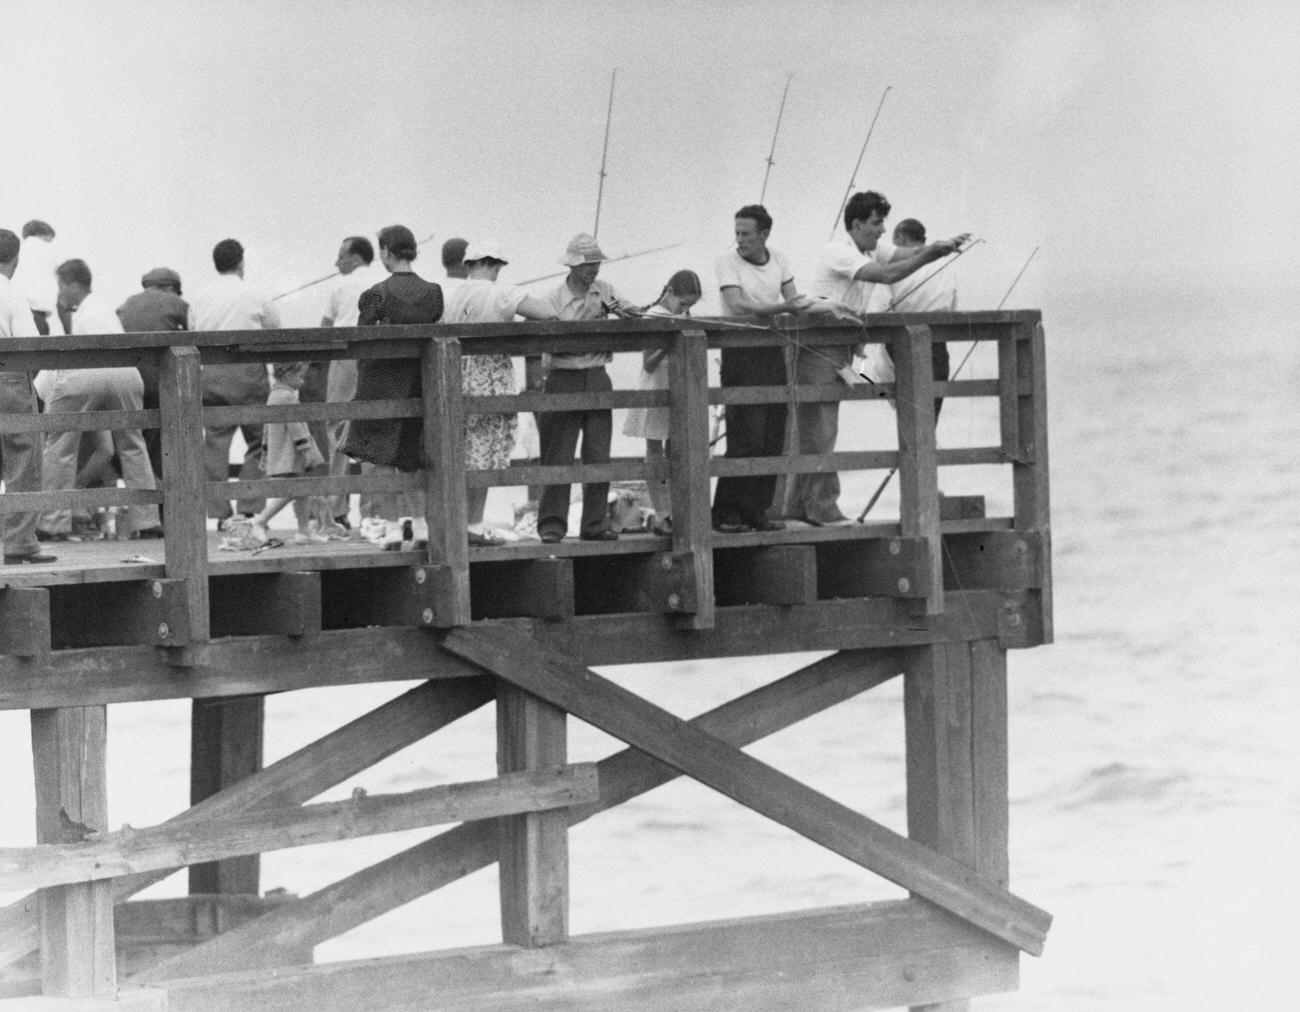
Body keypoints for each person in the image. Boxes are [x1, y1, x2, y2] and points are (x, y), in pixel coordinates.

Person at [792, 192, 967, 526]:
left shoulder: (871, 247)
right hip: (819, 345)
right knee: (820, 429)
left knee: (820, 428)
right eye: (876, 223)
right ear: (857, 224)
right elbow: (887, 275)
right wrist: (929, 253)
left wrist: (941, 247)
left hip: (843, 346)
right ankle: (821, 508)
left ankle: (803, 506)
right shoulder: (838, 252)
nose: (881, 230)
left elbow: (905, 253)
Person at [36, 259, 161, 540]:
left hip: (90, 369)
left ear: (71, 283)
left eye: (61, 287)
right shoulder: (104, 308)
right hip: (126, 372)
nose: (60, 293)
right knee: (133, 444)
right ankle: (148, 520)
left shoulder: (82, 314)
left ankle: (53, 522)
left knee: (61, 444)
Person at [442, 238, 556, 545]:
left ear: (468, 265)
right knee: (483, 453)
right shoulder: (502, 292)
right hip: (489, 377)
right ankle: (473, 526)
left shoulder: (449, 293)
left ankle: (453, 524)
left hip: (452, 373)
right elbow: (547, 313)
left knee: (457, 451)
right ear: (494, 265)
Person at [341, 225, 443, 550]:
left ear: (385, 251)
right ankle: (422, 525)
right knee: (411, 453)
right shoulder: (434, 292)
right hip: (417, 383)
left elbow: (361, 343)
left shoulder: (377, 294)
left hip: (381, 382)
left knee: (381, 456)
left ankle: (391, 528)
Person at [711, 204, 810, 534]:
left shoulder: (779, 259)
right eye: (736, 233)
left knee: (772, 434)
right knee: (745, 436)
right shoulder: (727, 260)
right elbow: (737, 304)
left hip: (771, 350)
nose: (739, 240)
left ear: (764, 234)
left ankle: (757, 510)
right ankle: (725, 511)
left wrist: (808, 308)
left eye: (746, 234)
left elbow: (794, 298)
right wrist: (782, 308)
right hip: (740, 350)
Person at [535, 233, 632, 544]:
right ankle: (552, 524)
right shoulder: (552, 298)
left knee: (598, 453)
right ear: (573, 266)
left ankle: (594, 523)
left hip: (597, 375)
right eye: (588, 264)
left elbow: (629, 309)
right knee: (558, 455)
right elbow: (547, 338)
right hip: (563, 378)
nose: (594, 270)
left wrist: (627, 312)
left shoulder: (605, 291)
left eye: (597, 263)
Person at [189, 238, 281, 525]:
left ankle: (219, 513)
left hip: (211, 375)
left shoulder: (200, 297)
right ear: (241, 262)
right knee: (259, 441)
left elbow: (193, 330)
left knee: (215, 443)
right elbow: (275, 330)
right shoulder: (255, 293)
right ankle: (249, 507)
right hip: (248, 374)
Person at [621, 269, 703, 535]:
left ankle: (678, 512)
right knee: (655, 450)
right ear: (669, 293)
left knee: (678, 450)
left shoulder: (681, 316)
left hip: (677, 387)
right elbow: (648, 362)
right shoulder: (656, 315)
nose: (685, 309)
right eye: (682, 303)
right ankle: (661, 513)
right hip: (657, 386)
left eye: (690, 306)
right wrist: (670, 342)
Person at [0, 228, 55, 564]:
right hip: (7, 377)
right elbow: (30, 346)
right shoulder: (10, 293)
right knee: (23, 455)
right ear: (15, 260)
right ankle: (19, 542)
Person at [320, 235, 378, 527]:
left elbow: (325, 327)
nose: (336, 262)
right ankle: (372, 511)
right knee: (373, 428)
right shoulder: (384, 280)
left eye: (341, 256)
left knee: (338, 428)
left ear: (355, 258)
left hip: (344, 357)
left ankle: (335, 509)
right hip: (377, 358)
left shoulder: (339, 285)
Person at [117, 267, 188, 481]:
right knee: (165, 447)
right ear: (171, 287)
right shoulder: (176, 303)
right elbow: (197, 335)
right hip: (161, 386)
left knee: (139, 445)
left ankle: (143, 501)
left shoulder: (125, 305)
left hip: (128, 386)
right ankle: (163, 506)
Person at [885, 217, 957, 418]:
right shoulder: (945, 266)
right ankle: (926, 447)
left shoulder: (899, 267)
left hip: (902, 343)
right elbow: (951, 305)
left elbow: (882, 305)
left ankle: (913, 448)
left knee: (909, 413)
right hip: (938, 345)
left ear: (901, 239)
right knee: (930, 415)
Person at [248, 362, 328, 545]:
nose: (303, 380)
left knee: (301, 491)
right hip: (291, 451)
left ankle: (303, 530)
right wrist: (305, 449)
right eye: (300, 376)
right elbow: (296, 426)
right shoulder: (286, 397)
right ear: (288, 376)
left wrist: (267, 452)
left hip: (283, 449)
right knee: (294, 490)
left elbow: (268, 428)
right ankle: (260, 520)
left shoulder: (274, 395)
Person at [12, 220, 59, 336]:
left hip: (15, 314)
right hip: (36, 317)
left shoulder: (17, 251)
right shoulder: (49, 250)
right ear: (44, 235)